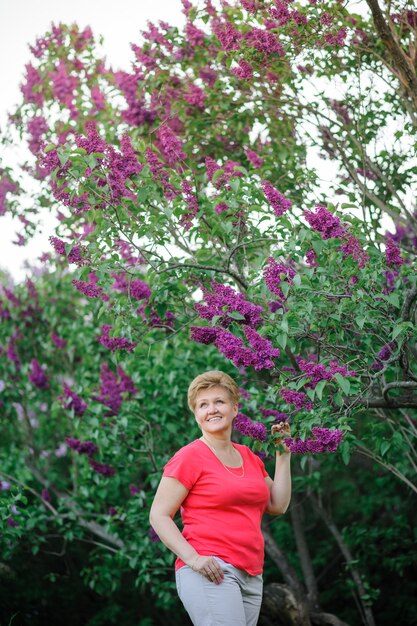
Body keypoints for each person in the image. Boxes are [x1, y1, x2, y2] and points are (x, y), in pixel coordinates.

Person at [149, 370, 292, 626]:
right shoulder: (189, 457)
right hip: (210, 570)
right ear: (196, 415)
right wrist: (193, 559)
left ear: (235, 408)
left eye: (219, 402)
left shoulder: (248, 456)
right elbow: (158, 515)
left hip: (251, 573)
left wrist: (283, 455)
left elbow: (277, 505)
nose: (212, 410)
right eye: (203, 405)